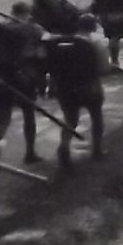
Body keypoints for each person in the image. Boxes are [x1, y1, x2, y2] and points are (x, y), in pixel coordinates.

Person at [44, 15, 108, 169]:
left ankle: (64, 148)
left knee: (70, 119)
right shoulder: (96, 42)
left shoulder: (57, 43)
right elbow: (103, 68)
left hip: (65, 88)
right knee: (96, 116)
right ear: (93, 26)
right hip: (89, 86)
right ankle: (97, 149)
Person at [0, 21, 46, 165]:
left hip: (3, 80)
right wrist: (41, 84)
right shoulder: (31, 31)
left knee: (3, 119)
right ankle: (30, 153)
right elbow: (40, 57)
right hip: (24, 80)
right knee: (29, 117)